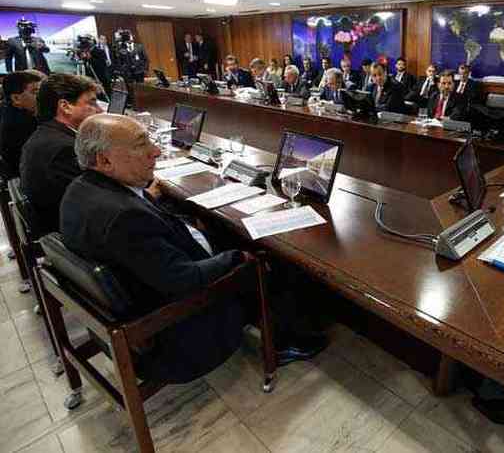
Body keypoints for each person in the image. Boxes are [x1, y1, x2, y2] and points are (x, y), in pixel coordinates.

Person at [61, 114, 327, 381]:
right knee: (271, 257)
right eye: (141, 144)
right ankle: (291, 339)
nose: (156, 151)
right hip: (180, 337)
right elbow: (184, 280)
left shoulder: (80, 189)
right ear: (104, 161)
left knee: (226, 230)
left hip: (147, 287)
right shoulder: (123, 218)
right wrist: (238, 257)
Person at [19, 74, 102, 234]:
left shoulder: (47, 134)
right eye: (91, 102)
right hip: (71, 232)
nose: (99, 110)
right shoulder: (64, 149)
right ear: (65, 106)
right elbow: (96, 202)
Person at [0, 71, 43, 178]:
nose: (42, 97)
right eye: (35, 92)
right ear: (16, 98)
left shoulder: (6, 109)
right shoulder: (23, 124)